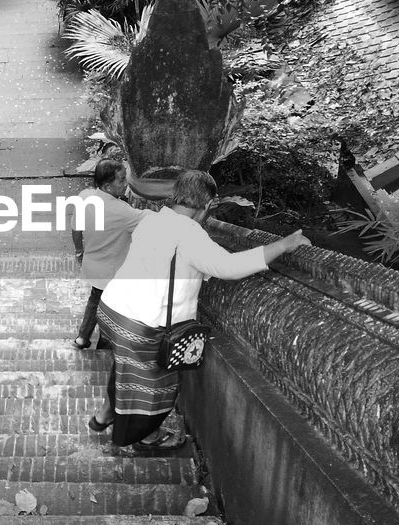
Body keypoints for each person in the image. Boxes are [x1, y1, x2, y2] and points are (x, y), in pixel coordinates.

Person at [89, 168, 309, 453]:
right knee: (156, 384)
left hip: (111, 310)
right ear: (206, 205)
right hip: (139, 325)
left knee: (126, 368)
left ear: (176, 194)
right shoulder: (190, 234)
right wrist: (284, 244)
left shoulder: (152, 220)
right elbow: (227, 267)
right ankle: (146, 437)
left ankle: (104, 415)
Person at [71, 158, 145, 350]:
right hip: (114, 271)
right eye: (121, 180)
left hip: (93, 265)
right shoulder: (123, 212)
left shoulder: (84, 197)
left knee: (95, 300)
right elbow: (151, 221)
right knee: (112, 307)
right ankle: (104, 344)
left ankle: (82, 337)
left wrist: (79, 251)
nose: (125, 183)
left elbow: (76, 229)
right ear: (107, 185)